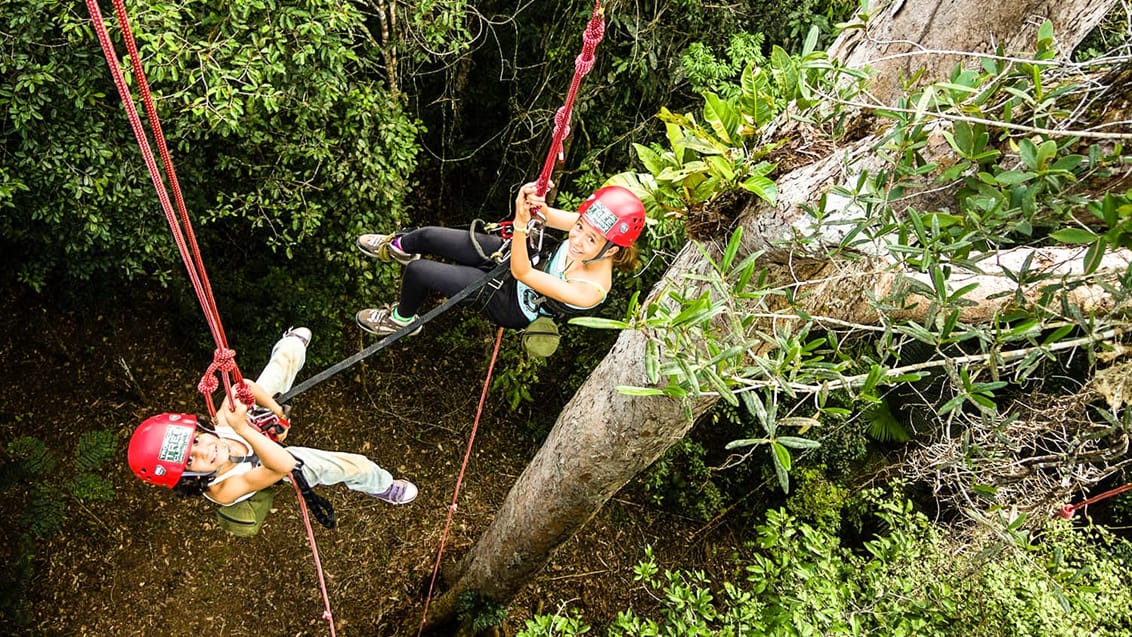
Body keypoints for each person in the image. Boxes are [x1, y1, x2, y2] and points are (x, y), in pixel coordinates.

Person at [127, 327, 417, 509]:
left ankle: (290, 346)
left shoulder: (223, 424)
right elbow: (282, 466)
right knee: (351, 465)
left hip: (250, 435)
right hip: (270, 469)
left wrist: (278, 415)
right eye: (192, 460)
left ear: (203, 427)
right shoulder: (223, 489)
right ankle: (381, 485)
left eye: (197, 439)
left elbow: (247, 387)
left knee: (278, 369)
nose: (206, 449)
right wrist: (247, 429)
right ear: (187, 479)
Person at [354, 182, 645, 336]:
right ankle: (397, 246)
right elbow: (546, 216)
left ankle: (401, 319)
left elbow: (523, 273)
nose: (577, 239)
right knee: (428, 235)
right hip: (516, 256)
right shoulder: (594, 228)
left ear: (612, 250)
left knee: (418, 272)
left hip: (512, 302)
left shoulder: (590, 290)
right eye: (579, 227)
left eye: (590, 239)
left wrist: (520, 224)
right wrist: (531, 200)